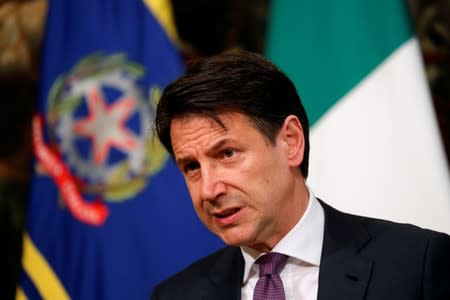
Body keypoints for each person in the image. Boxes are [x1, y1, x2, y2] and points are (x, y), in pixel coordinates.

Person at [151, 50, 450, 300]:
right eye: (191, 167)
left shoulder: (415, 265)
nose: (208, 190)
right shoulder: (176, 295)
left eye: (227, 154)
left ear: (291, 141)